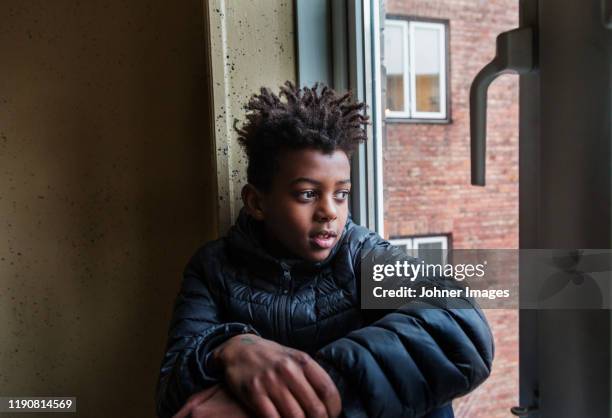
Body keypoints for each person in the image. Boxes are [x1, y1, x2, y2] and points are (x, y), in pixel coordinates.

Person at [155, 82, 494, 418]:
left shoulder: (361, 253)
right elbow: (173, 395)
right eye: (307, 194)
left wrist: (290, 393)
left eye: (341, 194)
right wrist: (231, 348)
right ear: (257, 202)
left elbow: (460, 326)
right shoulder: (213, 267)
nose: (330, 211)